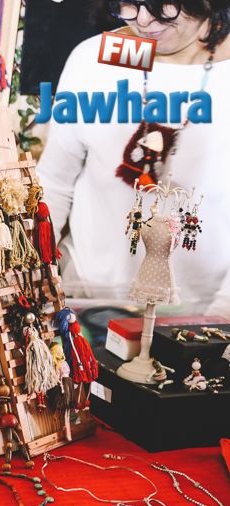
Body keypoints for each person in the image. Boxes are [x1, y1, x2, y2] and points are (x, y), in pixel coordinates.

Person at [38, 1, 230, 316]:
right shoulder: (95, 57)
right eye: (128, 2)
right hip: (86, 302)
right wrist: (32, 274)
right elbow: (54, 183)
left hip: (203, 316)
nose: (142, 19)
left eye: (161, 3)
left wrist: (220, 318)